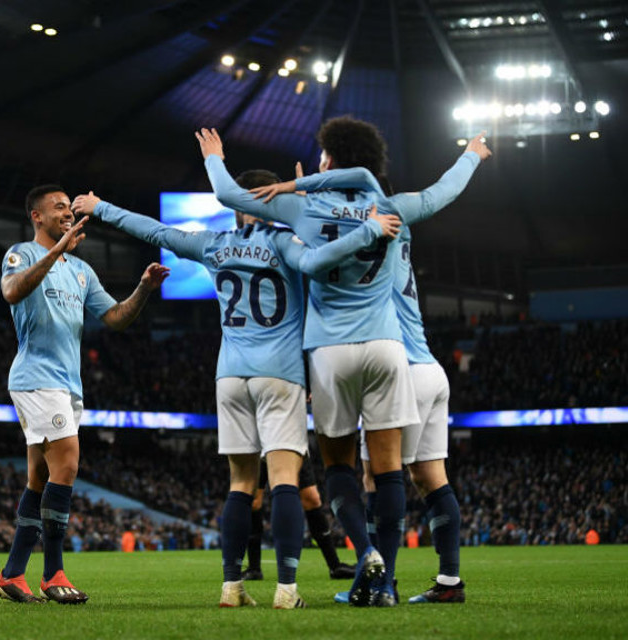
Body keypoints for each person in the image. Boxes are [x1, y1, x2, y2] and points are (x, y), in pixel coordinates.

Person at [72, 176, 398, 609]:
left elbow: (153, 229)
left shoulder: (214, 244)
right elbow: (321, 260)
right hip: (279, 373)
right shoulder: (285, 244)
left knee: (240, 482)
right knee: (283, 479)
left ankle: (232, 587)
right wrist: (371, 229)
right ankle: (286, 590)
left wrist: (101, 206)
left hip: (230, 376)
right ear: (269, 201)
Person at [198, 119, 486, 606]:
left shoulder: (301, 206)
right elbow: (444, 191)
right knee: (390, 469)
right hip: (389, 347)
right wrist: (472, 156)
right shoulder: (394, 208)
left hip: (329, 350)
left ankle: (366, 549)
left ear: (329, 161)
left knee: (339, 467)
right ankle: (387, 584)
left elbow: (229, 195)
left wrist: (214, 157)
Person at [272, 139, 492, 606]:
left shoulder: (362, 242)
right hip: (430, 368)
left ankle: (379, 583)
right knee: (432, 477)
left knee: (374, 478)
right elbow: (443, 189)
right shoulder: (400, 228)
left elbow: (329, 243)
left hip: (396, 367)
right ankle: (449, 581)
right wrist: (473, 153)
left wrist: (308, 203)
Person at [0, 185, 169, 605]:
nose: (67, 213)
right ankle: (53, 573)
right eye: (57, 208)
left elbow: (115, 318)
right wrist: (57, 252)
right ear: (36, 216)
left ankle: (12, 574)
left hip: (69, 384)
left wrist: (143, 288)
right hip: (36, 378)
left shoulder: (82, 271)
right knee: (67, 463)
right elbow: (12, 292)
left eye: (68, 207)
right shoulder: (21, 253)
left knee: (39, 477)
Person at [244, 454, 355, 581]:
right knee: (254, 501)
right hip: (259, 447)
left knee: (312, 499)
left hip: (292, 443)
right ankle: (254, 568)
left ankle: (335, 566)